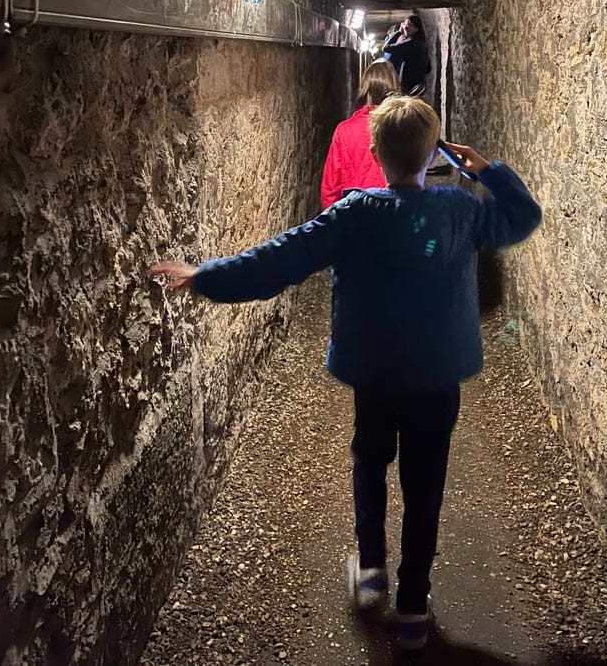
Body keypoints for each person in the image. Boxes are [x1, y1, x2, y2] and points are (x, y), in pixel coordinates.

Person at [148, 95, 542, 650]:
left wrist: (206, 276)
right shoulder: (460, 210)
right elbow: (523, 216)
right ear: (433, 154)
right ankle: (412, 606)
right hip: (436, 377)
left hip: (375, 370)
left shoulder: (355, 213)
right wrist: (483, 168)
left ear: (375, 151)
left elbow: (278, 260)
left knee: (370, 459)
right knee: (425, 483)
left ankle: (372, 569)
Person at [320, 59, 400, 209]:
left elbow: (330, 187)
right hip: (392, 214)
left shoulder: (344, 130)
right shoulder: (402, 127)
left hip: (354, 216)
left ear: (365, 89)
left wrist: (333, 223)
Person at [383, 14, 431, 96]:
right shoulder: (421, 43)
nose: (406, 27)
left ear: (416, 29)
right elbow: (428, 68)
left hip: (409, 85)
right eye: (405, 24)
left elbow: (386, 48)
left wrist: (398, 32)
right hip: (419, 83)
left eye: (410, 25)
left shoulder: (411, 43)